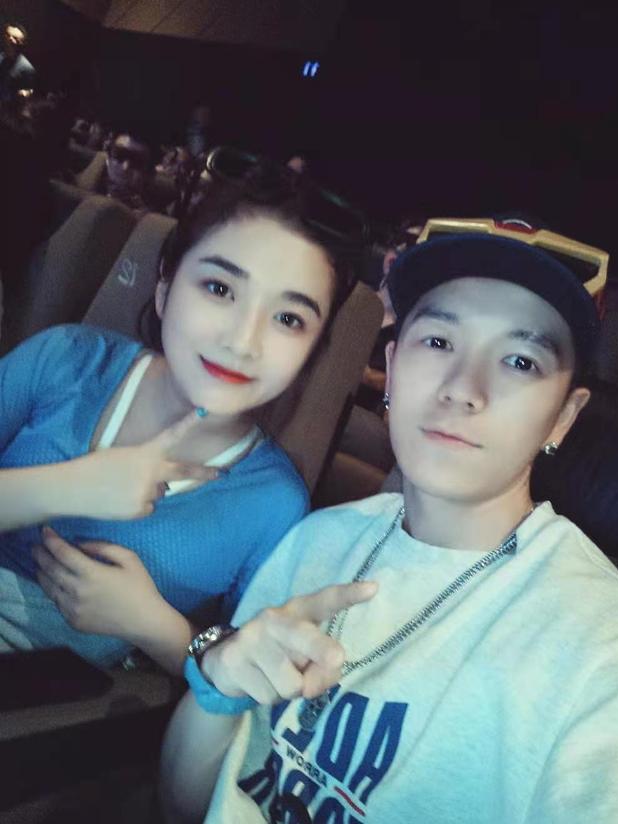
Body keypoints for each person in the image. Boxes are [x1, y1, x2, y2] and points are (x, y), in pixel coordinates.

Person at [160, 218, 618, 823]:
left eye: (520, 361)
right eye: (438, 342)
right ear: (391, 367)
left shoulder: (608, 655)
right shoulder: (315, 540)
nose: (463, 389)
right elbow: (184, 806)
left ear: (564, 417)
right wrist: (221, 681)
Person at [0, 150, 367, 674]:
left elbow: (245, 671)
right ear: (166, 287)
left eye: (288, 318)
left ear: (311, 351)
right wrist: (67, 486)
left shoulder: (273, 504)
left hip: (55, 704)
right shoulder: (65, 360)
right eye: (220, 289)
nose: (243, 341)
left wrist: (155, 627)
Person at [0, 23, 35, 107]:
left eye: (15, 38)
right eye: (8, 35)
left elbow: (28, 92)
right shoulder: (1, 56)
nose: (9, 39)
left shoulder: (26, 68)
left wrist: (26, 93)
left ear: (21, 43)